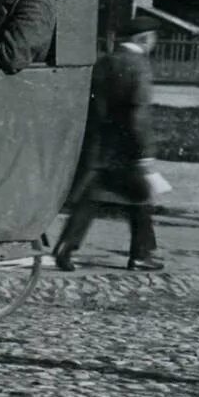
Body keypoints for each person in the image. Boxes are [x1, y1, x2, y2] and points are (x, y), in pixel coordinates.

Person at [50, 15, 165, 272]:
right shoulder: (139, 67)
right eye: (152, 38)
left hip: (100, 146)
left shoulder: (104, 62)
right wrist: (145, 153)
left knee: (92, 199)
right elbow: (139, 114)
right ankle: (141, 255)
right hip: (127, 149)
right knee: (142, 199)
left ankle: (66, 247)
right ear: (143, 39)